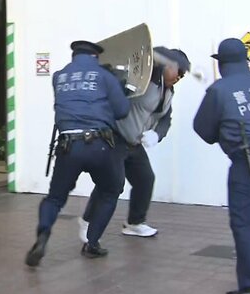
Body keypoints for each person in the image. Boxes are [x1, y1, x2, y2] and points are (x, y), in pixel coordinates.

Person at [25, 41, 131, 267]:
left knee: (55, 198)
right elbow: (122, 110)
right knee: (110, 190)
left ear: (74, 56)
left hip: (68, 146)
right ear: (95, 57)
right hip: (99, 145)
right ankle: (92, 243)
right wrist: (118, 88)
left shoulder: (58, 77)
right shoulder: (104, 76)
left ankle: (43, 234)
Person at [193, 38, 250, 294]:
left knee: (241, 219)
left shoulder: (219, 90)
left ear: (222, 64)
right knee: (248, 208)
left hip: (248, 161)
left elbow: (203, 129)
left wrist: (220, 132)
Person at [79, 47, 190, 240]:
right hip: (115, 137)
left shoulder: (168, 91)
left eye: (183, 75)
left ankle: (135, 223)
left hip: (134, 142)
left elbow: (165, 119)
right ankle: (88, 221)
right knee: (111, 182)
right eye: (178, 71)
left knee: (145, 179)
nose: (179, 77)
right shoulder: (142, 79)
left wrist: (156, 134)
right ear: (167, 66)